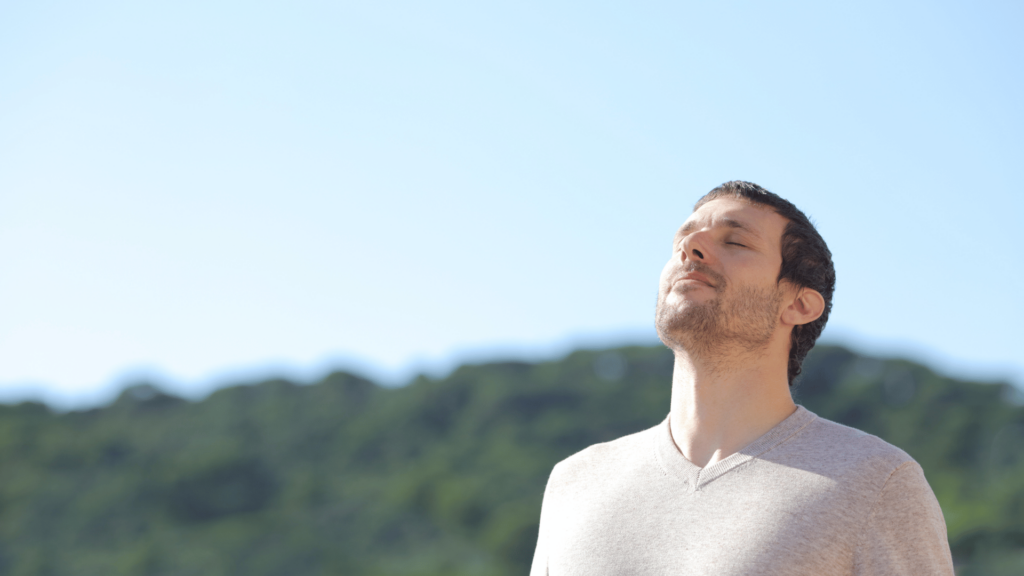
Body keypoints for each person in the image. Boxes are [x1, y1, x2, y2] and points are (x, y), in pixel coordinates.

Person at [529, 181, 955, 575]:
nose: (690, 247)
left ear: (799, 305)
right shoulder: (575, 482)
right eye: (683, 238)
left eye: (735, 241)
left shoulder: (875, 482)